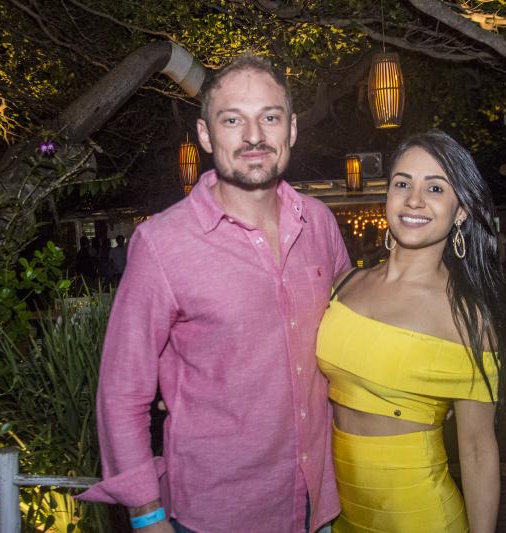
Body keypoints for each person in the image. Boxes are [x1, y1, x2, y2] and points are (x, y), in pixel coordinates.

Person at [78, 54, 350, 533]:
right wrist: (146, 516)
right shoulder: (162, 243)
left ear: (291, 130)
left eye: (270, 117)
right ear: (205, 135)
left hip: (317, 501)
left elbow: (352, 330)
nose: (253, 136)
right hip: (216, 513)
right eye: (232, 120)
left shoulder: (319, 223)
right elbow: (122, 390)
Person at [316, 131, 506, 532]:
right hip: (340, 513)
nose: (414, 199)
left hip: (420, 515)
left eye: (435, 188)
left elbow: (477, 450)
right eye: (402, 183)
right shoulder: (344, 284)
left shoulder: (468, 318)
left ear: (460, 212)